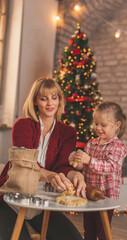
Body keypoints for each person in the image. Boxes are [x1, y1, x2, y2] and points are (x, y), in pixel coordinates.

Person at [0, 77, 86, 240]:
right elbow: (25, 164)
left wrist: (76, 175)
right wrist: (51, 176)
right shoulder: (23, 125)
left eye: (54, 98)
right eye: (43, 98)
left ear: (60, 101)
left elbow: (63, 166)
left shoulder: (68, 132)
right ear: (35, 101)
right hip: (11, 198)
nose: (49, 103)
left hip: (43, 203)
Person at [69, 101, 127, 240]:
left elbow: (110, 167)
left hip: (106, 198)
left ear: (116, 125)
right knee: (89, 230)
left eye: (103, 125)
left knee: (103, 232)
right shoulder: (91, 144)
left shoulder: (118, 147)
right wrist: (75, 160)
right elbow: (83, 167)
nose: (98, 128)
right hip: (89, 194)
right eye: (96, 124)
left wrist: (89, 160)